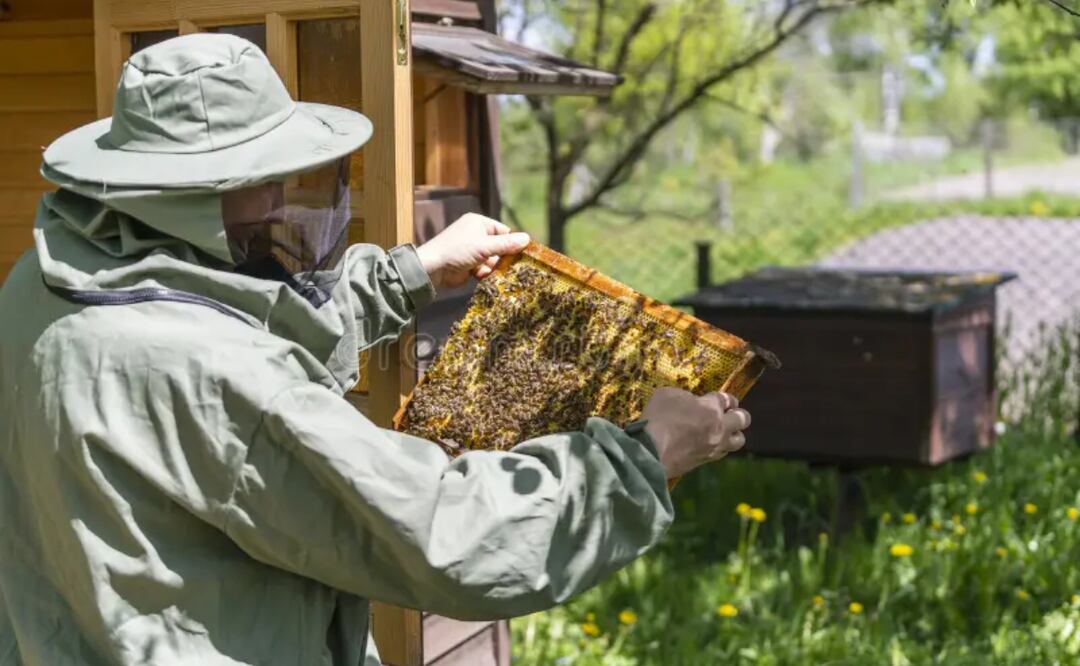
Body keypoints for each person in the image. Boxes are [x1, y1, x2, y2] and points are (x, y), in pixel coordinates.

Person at [0, 34, 751, 665]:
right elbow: (447, 536)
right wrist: (645, 455)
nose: (277, 199)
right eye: (257, 180)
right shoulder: (216, 374)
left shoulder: (48, 279)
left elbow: (229, 317)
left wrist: (409, 274)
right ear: (187, 196)